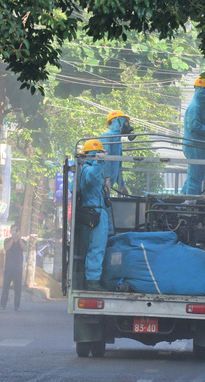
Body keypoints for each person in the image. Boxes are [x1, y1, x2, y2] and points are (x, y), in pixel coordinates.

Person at [79, 139, 110, 291]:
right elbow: (91, 179)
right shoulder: (88, 169)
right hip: (94, 212)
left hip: (95, 212)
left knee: (97, 248)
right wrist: (98, 162)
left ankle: (94, 279)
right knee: (96, 249)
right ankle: (92, 282)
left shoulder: (86, 169)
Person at [100, 110, 133, 235]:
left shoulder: (118, 140)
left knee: (107, 211)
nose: (126, 125)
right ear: (116, 121)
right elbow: (105, 160)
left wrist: (122, 185)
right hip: (101, 183)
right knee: (104, 212)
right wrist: (107, 178)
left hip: (107, 184)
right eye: (124, 121)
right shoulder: (106, 137)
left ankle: (110, 237)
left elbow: (118, 164)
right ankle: (107, 237)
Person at [0, 224, 27, 311]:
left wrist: (19, 240)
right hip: (8, 267)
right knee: (5, 287)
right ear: (11, 231)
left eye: (16, 230)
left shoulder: (22, 241)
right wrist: (13, 239)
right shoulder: (7, 240)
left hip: (18, 267)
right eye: (13, 230)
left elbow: (24, 249)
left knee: (17, 288)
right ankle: (2, 304)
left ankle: (17, 306)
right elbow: (6, 248)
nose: (14, 232)